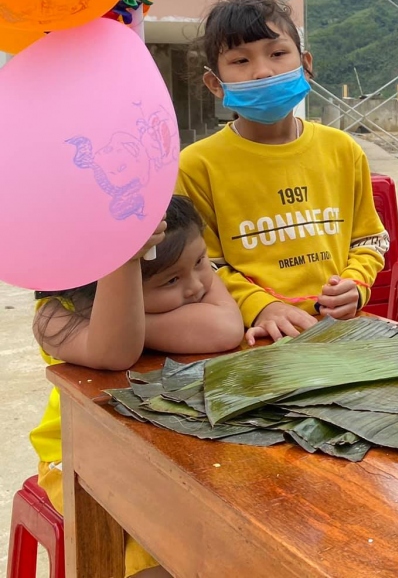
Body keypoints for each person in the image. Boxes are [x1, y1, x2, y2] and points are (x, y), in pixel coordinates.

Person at [30, 195, 244, 578]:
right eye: (171, 281)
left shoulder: (191, 276)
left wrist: (134, 328)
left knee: (231, 534)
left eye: (200, 262)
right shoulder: (56, 315)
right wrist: (125, 261)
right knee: (157, 546)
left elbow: (225, 329)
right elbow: (114, 353)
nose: (196, 286)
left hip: (178, 451)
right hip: (82, 459)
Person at [176, 0, 390, 344]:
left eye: (277, 53)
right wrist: (260, 307)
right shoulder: (196, 166)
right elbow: (202, 266)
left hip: (339, 334)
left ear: (305, 64)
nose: (263, 70)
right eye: (240, 60)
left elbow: (368, 240)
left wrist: (356, 285)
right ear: (215, 83)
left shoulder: (343, 150)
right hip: (253, 340)